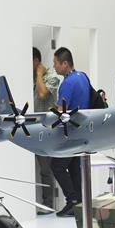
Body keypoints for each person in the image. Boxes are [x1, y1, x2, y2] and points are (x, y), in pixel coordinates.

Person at [51, 47, 90, 216]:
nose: (54, 66)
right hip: (82, 130)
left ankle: (72, 200)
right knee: (74, 166)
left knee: (57, 166)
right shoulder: (83, 77)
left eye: (56, 63)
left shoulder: (67, 83)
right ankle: (79, 202)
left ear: (65, 63)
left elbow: (60, 111)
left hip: (69, 131)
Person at [32, 47, 60, 213]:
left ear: (36, 61)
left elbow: (42, 94)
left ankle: (48, 205)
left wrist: (38, 74)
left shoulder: (51, 78)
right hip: (31, 130)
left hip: (47, 132)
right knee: (40, 170)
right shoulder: (30, 79)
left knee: (46, 170)